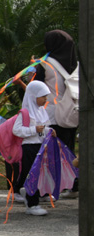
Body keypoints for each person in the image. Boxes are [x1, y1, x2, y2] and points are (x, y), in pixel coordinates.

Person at [35, 30, 79, 199]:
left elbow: (36, 88)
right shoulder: (74, 64)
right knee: (68, 149)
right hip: (70, 112)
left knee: (53, 152)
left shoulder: (46, 64)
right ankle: (74, 184)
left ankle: (52, 188)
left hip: (51, 113)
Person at [15, 81, 56, 216]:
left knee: (39, 174)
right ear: (33, 96)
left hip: (39, 146)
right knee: (32, 174)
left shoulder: (41, 111)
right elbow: (17, 130)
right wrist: (33, 130)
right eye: (42, 96)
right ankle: (32, 204)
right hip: (29, 147)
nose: (45, 99)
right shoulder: (25, 113)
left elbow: (43, 128)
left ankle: (31, 194)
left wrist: (49, 131)